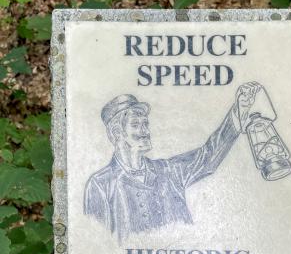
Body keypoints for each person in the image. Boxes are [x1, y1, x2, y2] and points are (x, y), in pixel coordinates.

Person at [83, 83, 262, 242]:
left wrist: (239, 110)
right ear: (116, 133)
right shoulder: (100, 184)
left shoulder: (169, 170)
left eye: (145, 124)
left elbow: (208, 156)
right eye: (136, 124)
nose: (145, 131)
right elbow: (98, 248)